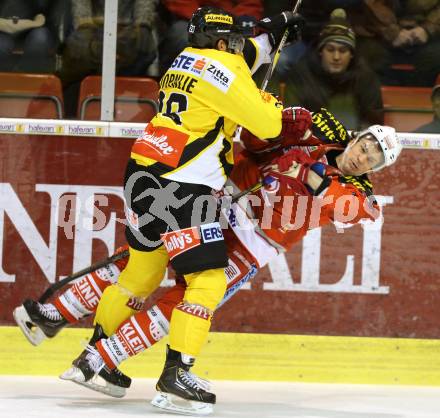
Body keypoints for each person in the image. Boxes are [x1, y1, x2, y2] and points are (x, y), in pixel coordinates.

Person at [14, 109, 402, 413]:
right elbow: (252, 142)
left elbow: (349, 207)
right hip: (215, 204)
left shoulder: (359, 193)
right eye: (367, 145)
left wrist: (309, 173)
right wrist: (288, 123)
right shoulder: (315, 140)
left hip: (251, 243)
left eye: (374, 159)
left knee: (179, 300)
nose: (363, 157)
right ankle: (64, 324)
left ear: (376, 170)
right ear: (357, 136)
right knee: (139, 267)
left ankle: (86, 347)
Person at [55, 5, 305, 413]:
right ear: (223, 42)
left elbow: (242, 63)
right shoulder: (225, 66)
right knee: (207, 280)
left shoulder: (181, 62)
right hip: (185, 187)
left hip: (142, 174)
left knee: (141, 273)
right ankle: (176, 377)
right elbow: (269, 126)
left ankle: (97, 358)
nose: (239, 48)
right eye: (235, 41)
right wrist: (274, 107)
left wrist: (269, 33)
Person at [277, 9, 384, 130]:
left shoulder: (365, 78)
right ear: (321, 51)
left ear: (352, 54)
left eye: (343, 51)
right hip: (310, 143)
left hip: (353, 144)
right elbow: (292, 120)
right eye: (330, 49)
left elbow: (373, 124)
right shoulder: (301, 74)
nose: (336, 57)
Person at [157, 0, 264, 75]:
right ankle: (175, 80)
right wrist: (205, 19)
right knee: (181, 35)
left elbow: (250, 4)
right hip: (192, 18)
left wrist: (229, 21)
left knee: (247, 43)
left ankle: (240, 86)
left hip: (233, 21)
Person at [348, 0, 440, 87]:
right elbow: (371, 5)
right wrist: (392, 33)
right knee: (366, 58)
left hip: (427, 35)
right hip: (377, 33)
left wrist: (427, 29)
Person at [0, 0, 57, 72]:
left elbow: (44, 12)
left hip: (36, 27)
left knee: (40, 39)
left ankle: (26, 76)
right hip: (4, 28)